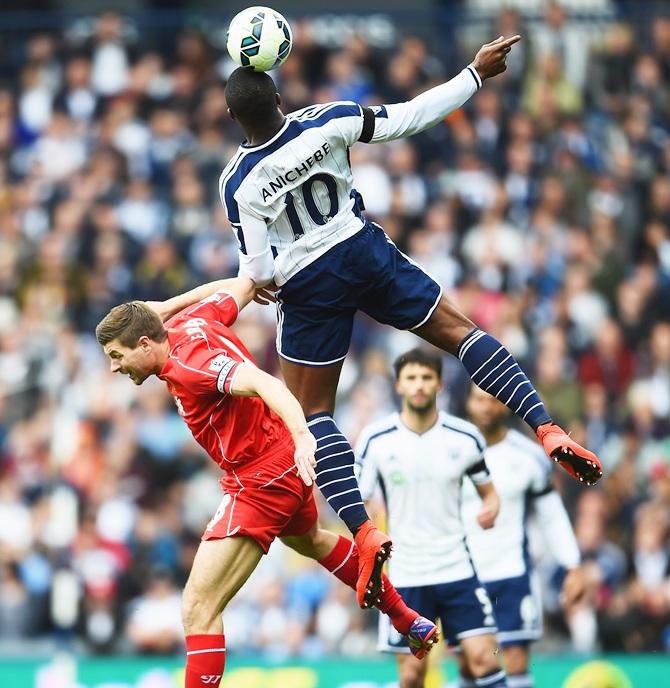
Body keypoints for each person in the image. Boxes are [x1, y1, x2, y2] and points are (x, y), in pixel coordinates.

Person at [219, 34, 602, 608]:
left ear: (231, 115)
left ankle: (363, 529)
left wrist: (258, 289)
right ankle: (545, 426)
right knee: (462, 334)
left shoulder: (238, 182)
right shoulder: (326, 121)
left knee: (313, 412)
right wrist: (474, 73)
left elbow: (257, 267)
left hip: (307, 286)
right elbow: (410, 117)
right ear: (278, 93)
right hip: (360, 251)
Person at [95, 278, 438, 688]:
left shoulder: (190, 366)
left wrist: (303, 436)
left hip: (261, 477)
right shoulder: (194, 318)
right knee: (308, 539)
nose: (115, 367)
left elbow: (264, 382)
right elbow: (242, 284)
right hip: (275, 465)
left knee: (197, 606)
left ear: (146, 345)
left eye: (118, 355)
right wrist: (168, 304)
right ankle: (408, 620)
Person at [355, 348, 507, 688]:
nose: (419, 385)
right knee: (412, 676)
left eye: (426, 377)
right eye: (412, 378)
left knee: (483, 659)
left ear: (439, 384)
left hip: (456, 568)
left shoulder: (465, 438)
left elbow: (489, 491)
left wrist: (492, 507)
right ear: (399, 385)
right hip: (406, 574)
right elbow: (359, 502)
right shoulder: (376, 440)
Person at [460, 386, 585, 688]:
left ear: (504, 406)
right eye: (479, 399)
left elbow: (551, 513)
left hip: (512, 574)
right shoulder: (453, 450)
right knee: (469, 665)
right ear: (468, 404)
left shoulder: (529, 456)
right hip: (464, 575)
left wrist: (572, 565)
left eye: (493, 399)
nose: (486, 407)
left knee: (515, 661)